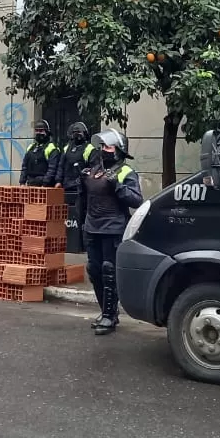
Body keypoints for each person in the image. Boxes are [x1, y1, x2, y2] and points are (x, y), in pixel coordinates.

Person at [78, 129, 143, 335]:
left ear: (119, 150)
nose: (103, 150)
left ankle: (109, 316)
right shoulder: (94, 170)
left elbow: (136, 200)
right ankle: (106, 312)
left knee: (109, 271)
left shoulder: (126, 172)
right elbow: (84, 199)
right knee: (94, 270)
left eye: (108, 147)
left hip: (113, 228)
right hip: (92, 227)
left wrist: (118, 186)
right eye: (102, 147)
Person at [59, 122, 96, 251]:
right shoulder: (66, 148)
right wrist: (58, 181)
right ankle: (68, 243)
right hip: (67, 186)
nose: (77, 135)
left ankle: (80, 245)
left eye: (79, 132)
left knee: (80, 216)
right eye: (75, 133)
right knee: (67, 217)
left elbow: (93, 168)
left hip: (82, 189)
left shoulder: (90, 149)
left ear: (85, 134)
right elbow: (61, 167)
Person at [19, 119, 61, 187]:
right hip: (31, 184)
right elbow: (24, 167)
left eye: (41, 131)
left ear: (47, 132)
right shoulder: (31, 147)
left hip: (45, 186)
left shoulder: (52, 148)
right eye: (37, 130)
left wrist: (44, 184)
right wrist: (22, 182)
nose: (38, 133)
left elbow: (52, 169)